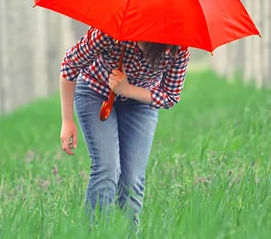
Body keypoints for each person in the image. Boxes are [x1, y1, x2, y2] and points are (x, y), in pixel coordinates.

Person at [58, 26, 190, 227]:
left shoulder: (177, 48)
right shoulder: (110, 31)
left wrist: (126, 89)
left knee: (132, 179)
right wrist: (67, 120)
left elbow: (170, 96)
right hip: (96, 92)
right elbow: (70, 64)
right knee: (107, 169)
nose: (140, 44)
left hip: (140, 102)